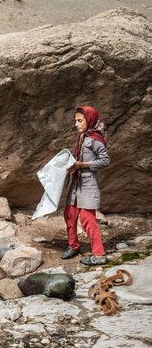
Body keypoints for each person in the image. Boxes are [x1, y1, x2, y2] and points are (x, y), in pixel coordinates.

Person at [61, 107, 110, 266]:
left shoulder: (95, 139)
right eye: (75, 121)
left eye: (80, 120)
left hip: (88, 185)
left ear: (89, 120)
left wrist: (83, 164)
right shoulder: (82, 137)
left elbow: (105, 160)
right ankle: (74, 246)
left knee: (87, 219)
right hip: (77, 184)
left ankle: (99, 254)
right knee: (69, 214)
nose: (76, 124)